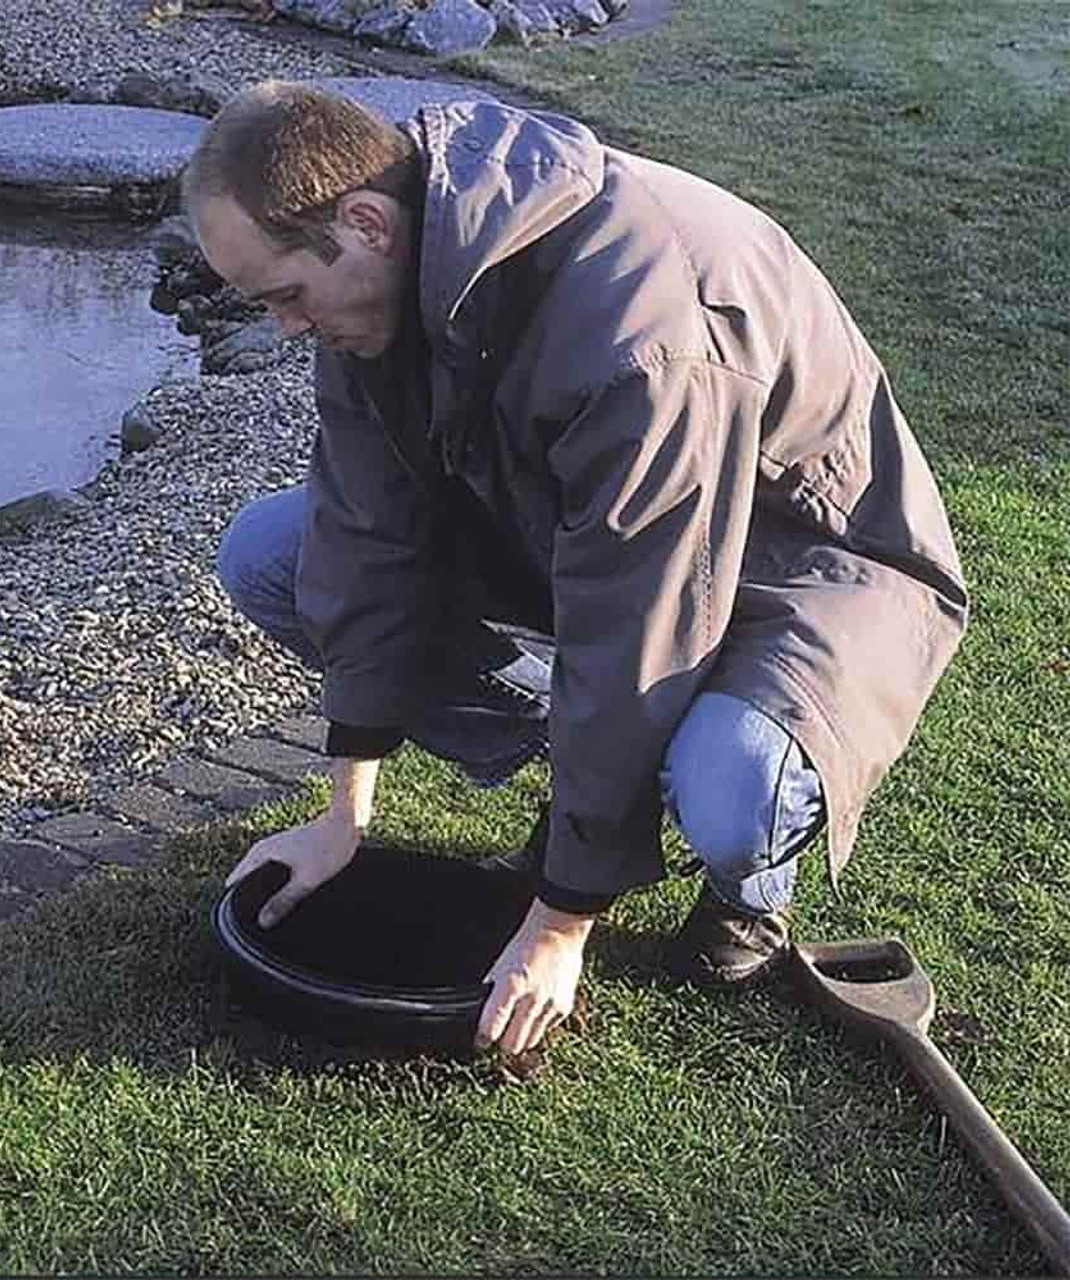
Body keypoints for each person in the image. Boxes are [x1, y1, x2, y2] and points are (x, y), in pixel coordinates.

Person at [182, 81, 968, 1057]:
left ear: (364, 221)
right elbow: (366, 533)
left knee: (730, 787)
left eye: (285, 296)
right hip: (580, 527)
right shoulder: (376, 284)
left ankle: (744, 892)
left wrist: (558, 922)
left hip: (803, 570)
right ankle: (593, 781)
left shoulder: (638, 336)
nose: (286, 329)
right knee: (271, 555)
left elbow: (636, 617)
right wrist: (344, 812)